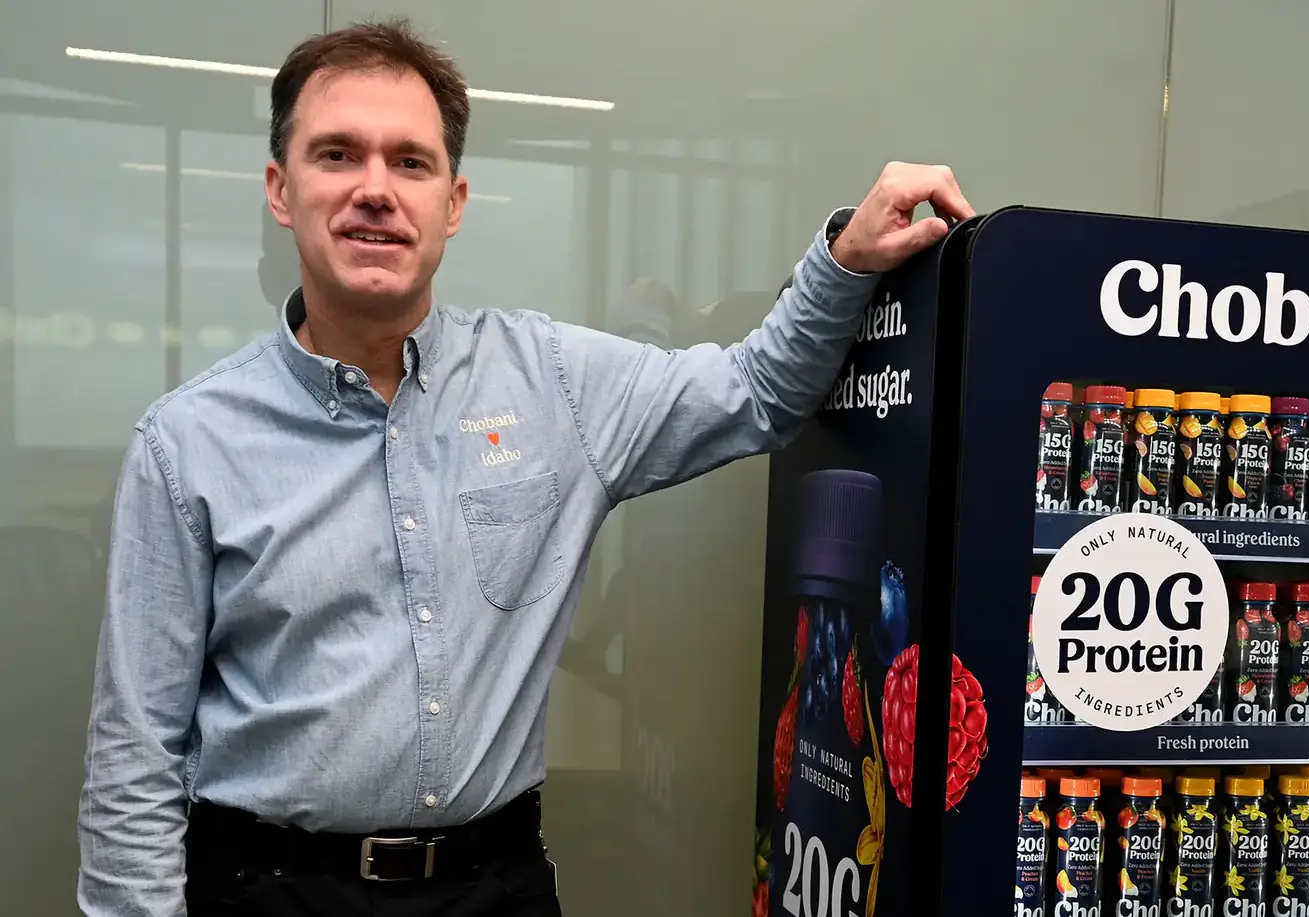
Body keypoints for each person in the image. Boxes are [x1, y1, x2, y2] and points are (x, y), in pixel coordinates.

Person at [73, 16, 973, 917]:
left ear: (454, 202)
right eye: (338, 155)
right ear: (280, 188)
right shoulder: (186, 442)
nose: (376, 190)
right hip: (266, 892)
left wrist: (847, 257)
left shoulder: (552, 384)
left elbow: (756, 392)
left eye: (411, 162)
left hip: (490, 891)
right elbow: (134, 760)